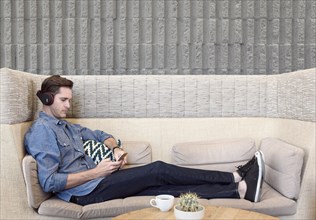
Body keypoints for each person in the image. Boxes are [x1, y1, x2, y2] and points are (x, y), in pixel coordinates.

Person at [24, 75, 265, 206]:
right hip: (85, 192)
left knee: (161, 188)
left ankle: (237, 191)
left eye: (69, 100)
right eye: (64, 100)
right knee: (157, 169)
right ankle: (233, 176)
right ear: (47, 100)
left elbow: (100, 136)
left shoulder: (66, 126)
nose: (68, 105)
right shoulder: (42, 132)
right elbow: (49, 182)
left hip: (99, 179)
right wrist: (96, 173)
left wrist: (116, 148)